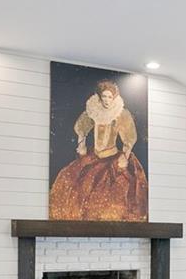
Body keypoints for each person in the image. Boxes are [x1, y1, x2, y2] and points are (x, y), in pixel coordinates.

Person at [49, 79, 148, 221]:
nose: (107, 100)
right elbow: (81, 128)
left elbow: (129, 137)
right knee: (71, 182)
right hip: (95, 156)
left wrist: (124, 157)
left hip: (112, 157)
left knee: (113, 196)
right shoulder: (94, 110)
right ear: (100, 97)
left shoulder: (121, 113)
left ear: (114, 98)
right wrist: (81, 144)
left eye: (110, 97)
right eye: (104, 97)